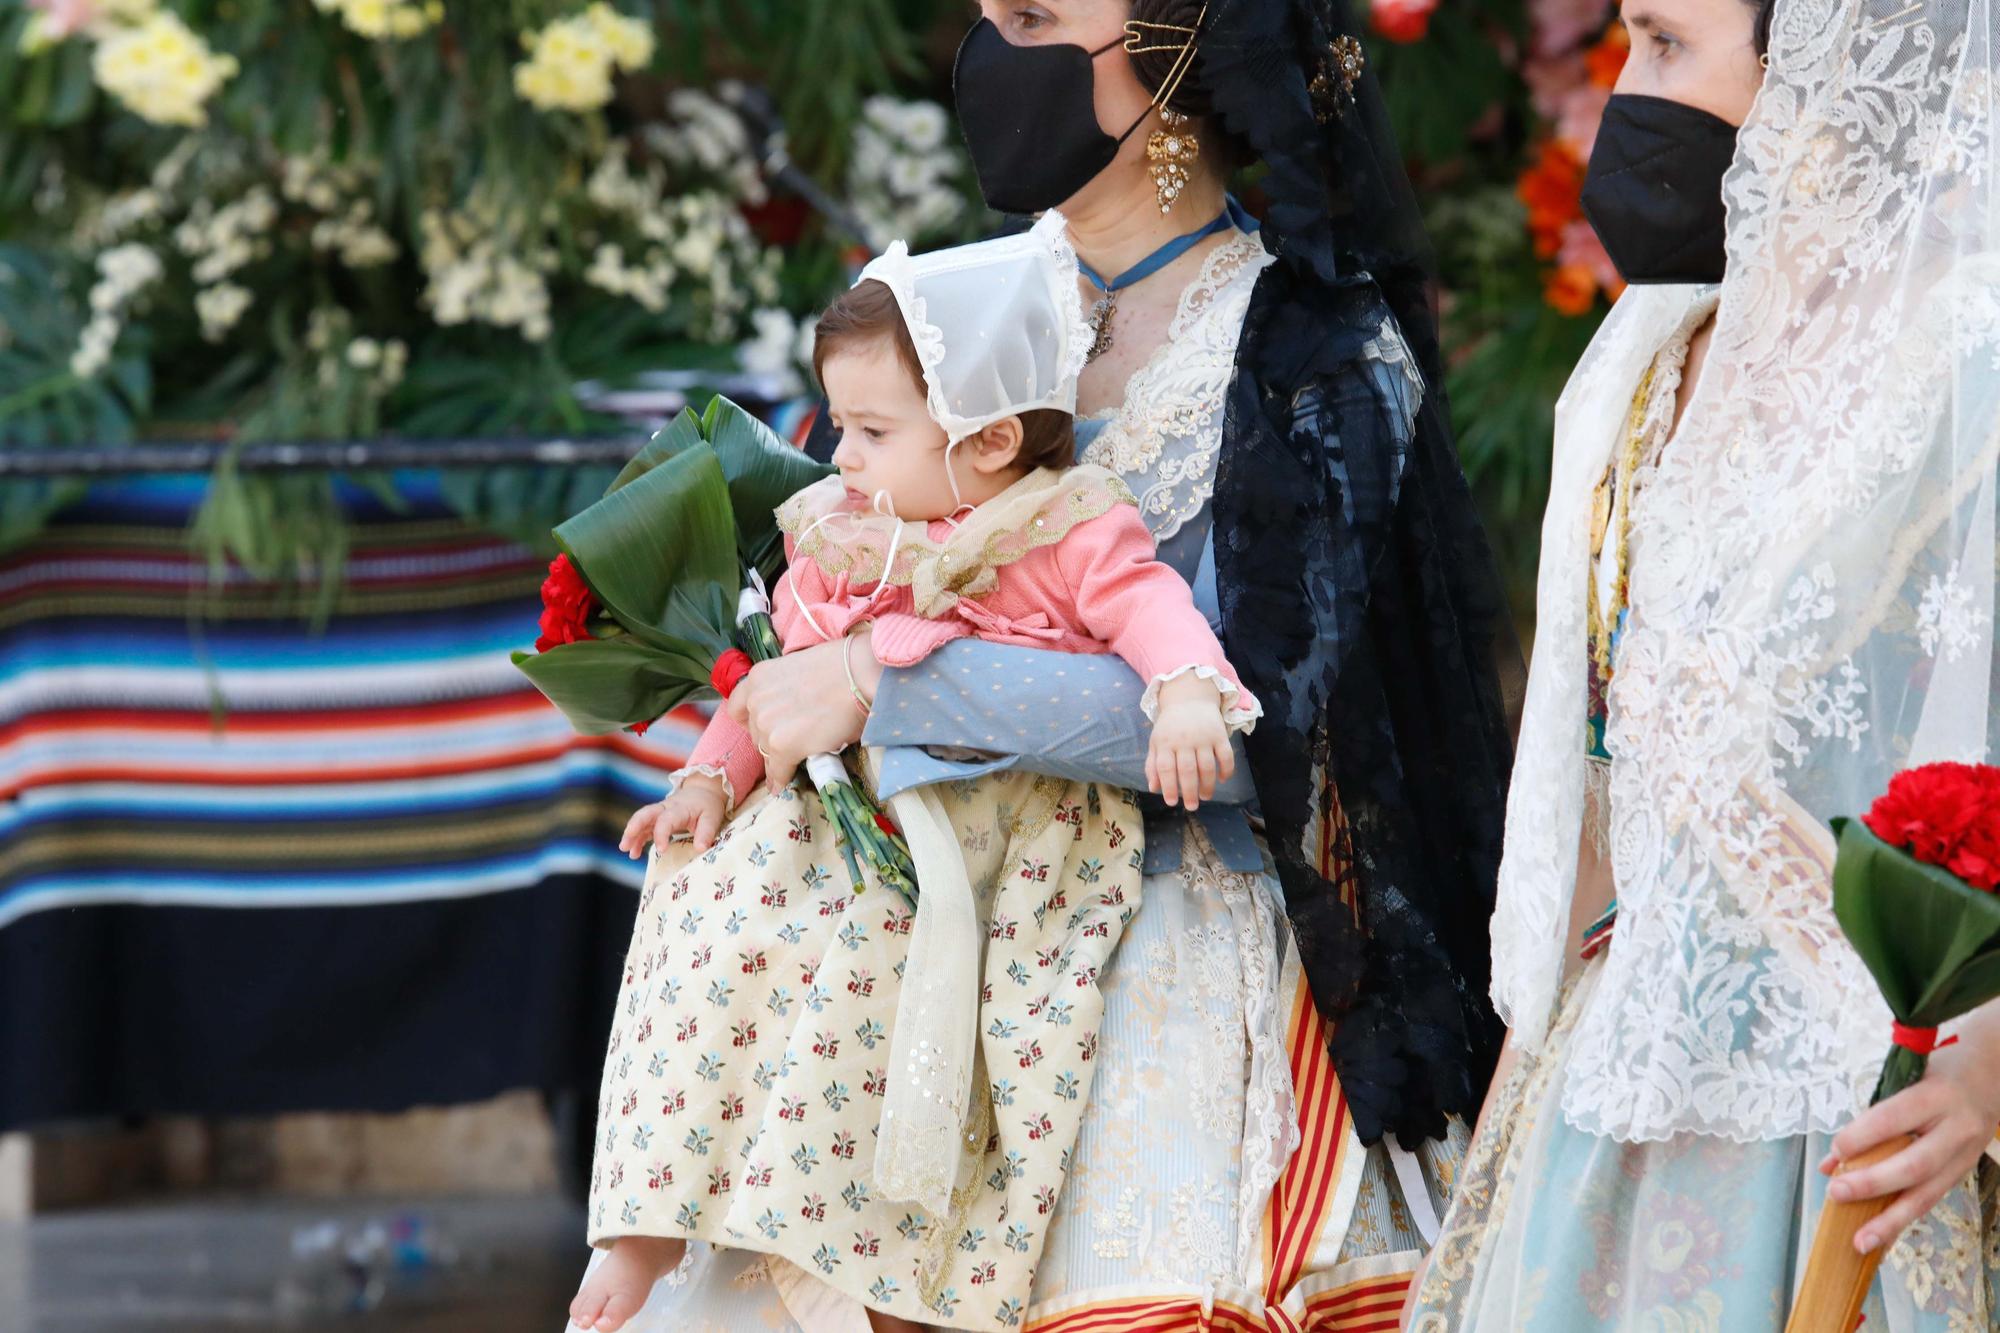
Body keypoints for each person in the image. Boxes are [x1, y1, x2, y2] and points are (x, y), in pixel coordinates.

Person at [655, 0, 1518, 1328]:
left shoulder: (1313, 357)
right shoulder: (947, 311)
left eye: (1039, 17)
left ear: (1180, 44)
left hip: (1176, 945)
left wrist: (894, 687)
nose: (994, 53)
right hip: (904, 939)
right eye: (989, 16)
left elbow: (1272, 735)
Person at [1404, 0, 2000, 1328]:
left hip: (1870, 1117)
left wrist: (1990, 1072)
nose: (1629, 93)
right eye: (1623, 43)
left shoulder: (1973, 362)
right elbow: (1610, 781)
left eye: (1668, 46)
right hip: (1621, 1083)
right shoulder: (1650, 358)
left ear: (1828, 68)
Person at [567, 214, 1260, 1333]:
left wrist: (1184, 691)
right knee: (706, 916)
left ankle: (861, 1252)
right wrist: (706, 776)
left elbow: (1150, 610)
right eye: (840, 425)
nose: (837, 455)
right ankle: (649, 1211)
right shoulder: (851, 532)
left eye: (867, 430)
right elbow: (775, 679)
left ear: (987, 439)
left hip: (1001, 837)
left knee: (882, 1003)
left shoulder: (1058, 527)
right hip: (846, 829)